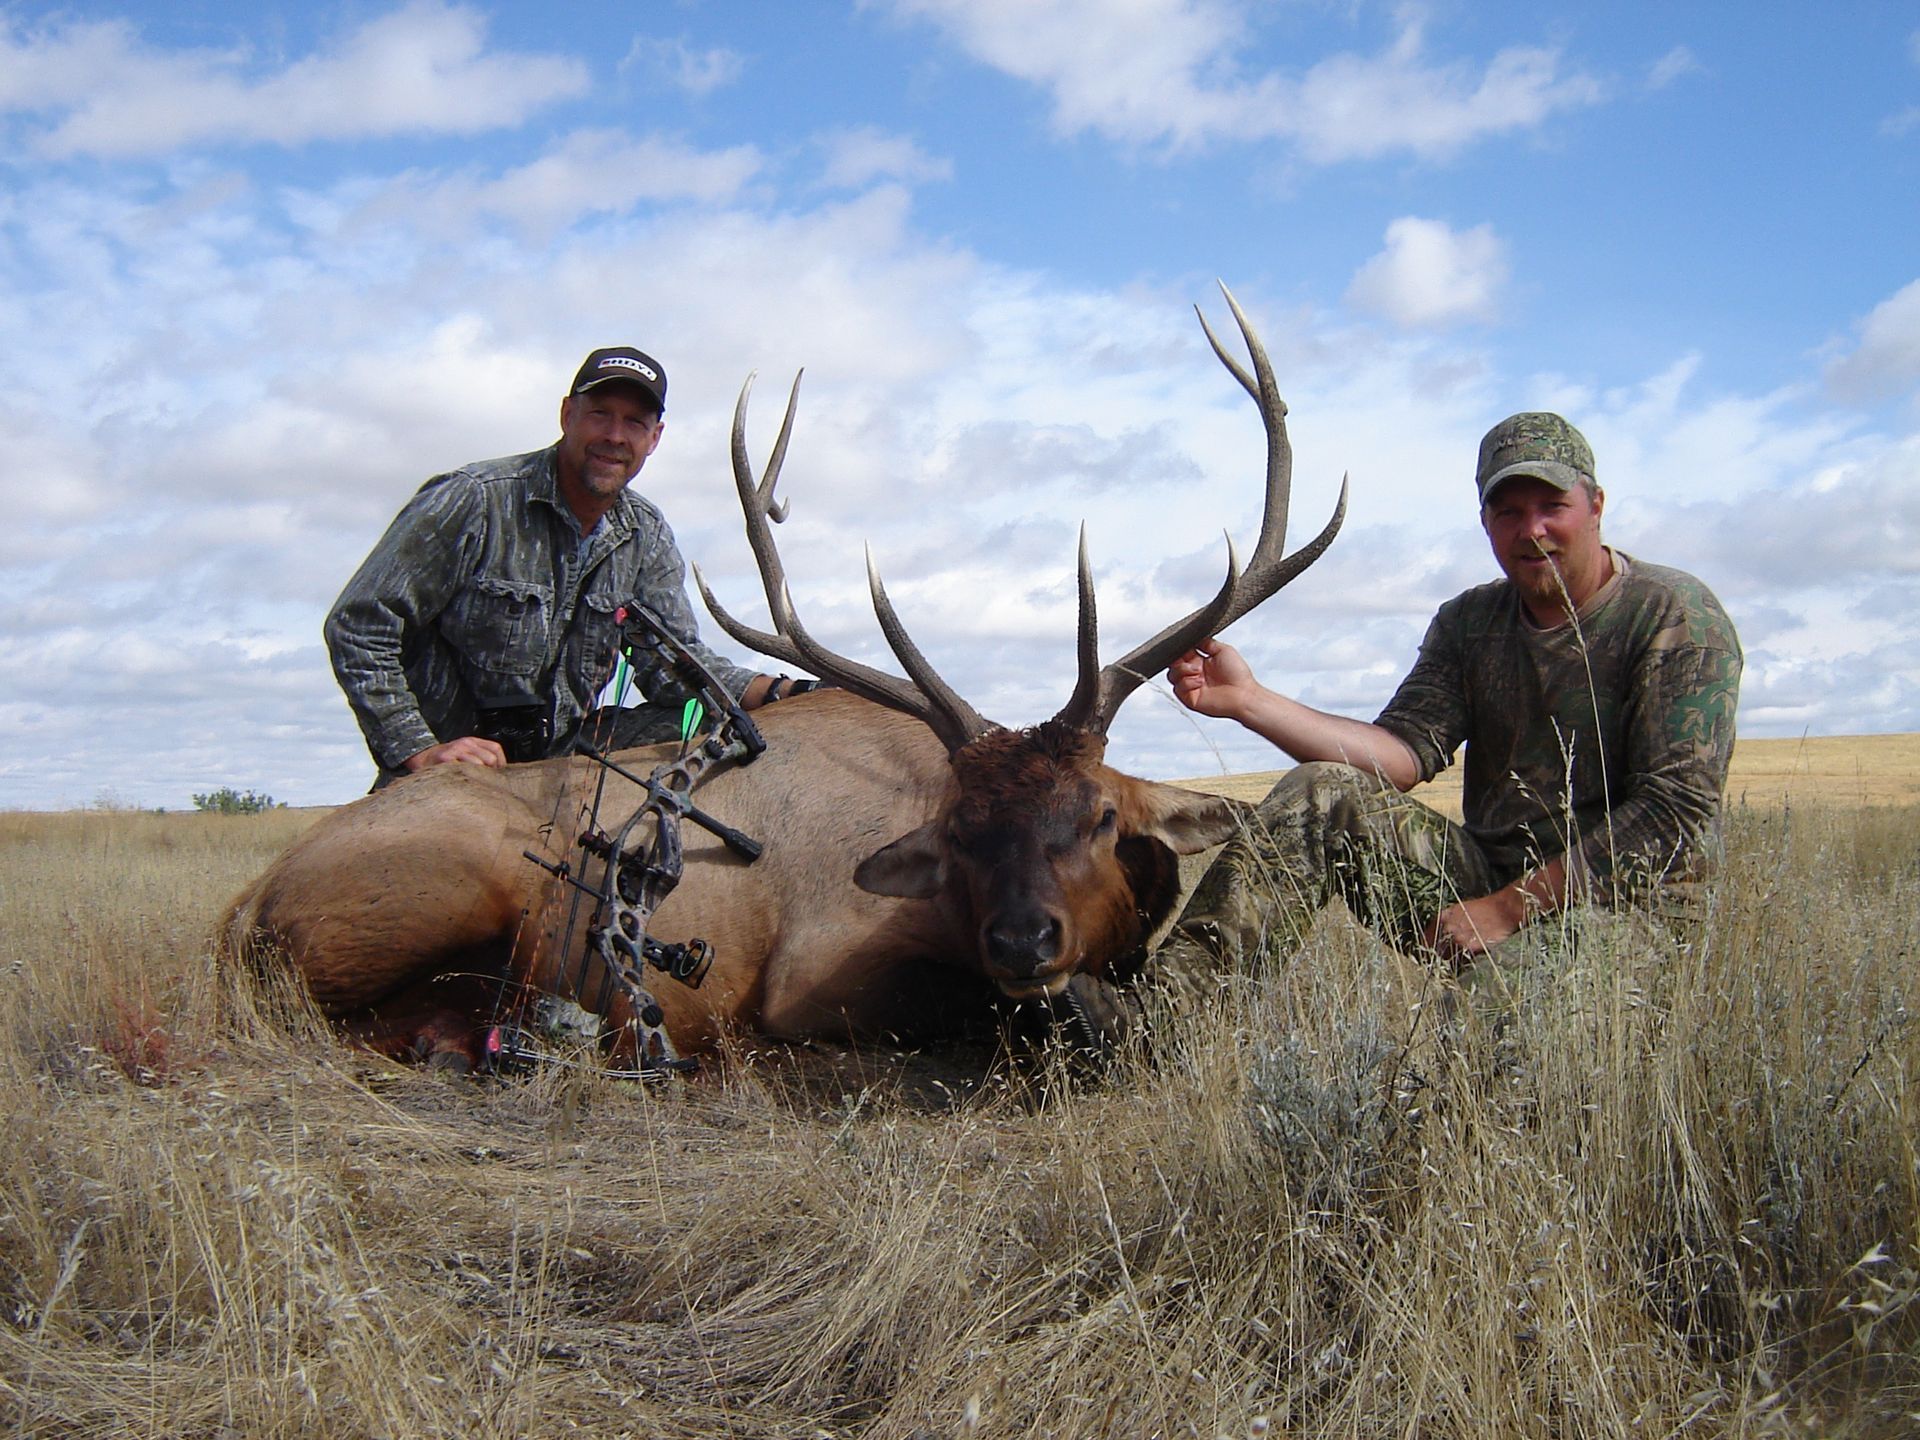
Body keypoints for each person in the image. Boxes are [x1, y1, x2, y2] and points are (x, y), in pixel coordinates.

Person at [1161, 411, 1742, 983]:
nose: (1532, 530)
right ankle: (1157, 1013)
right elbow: (1399, 757)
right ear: (1485, 521)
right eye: (1509, 512)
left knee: (1492, 1006)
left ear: (1596, 507)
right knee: (1323, 791)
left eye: (1552, 507)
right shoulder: (1469, 622)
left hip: (1632, 905)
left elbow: (1676, 810)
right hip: (1493, 880)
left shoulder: (1676, 616)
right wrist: (1250, 701)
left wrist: (1509, 910)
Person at [326, 346, 810, 785]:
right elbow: (360, 625)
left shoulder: (645, 533)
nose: (614, 436)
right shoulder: (473, 500)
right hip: (458, 764)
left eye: (635, 423)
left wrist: (788, 693)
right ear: (567, 415)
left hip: (561, 758)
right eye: (600, 415)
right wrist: (420, 750)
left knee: (734, 729)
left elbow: (673, 668)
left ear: (654, 438)